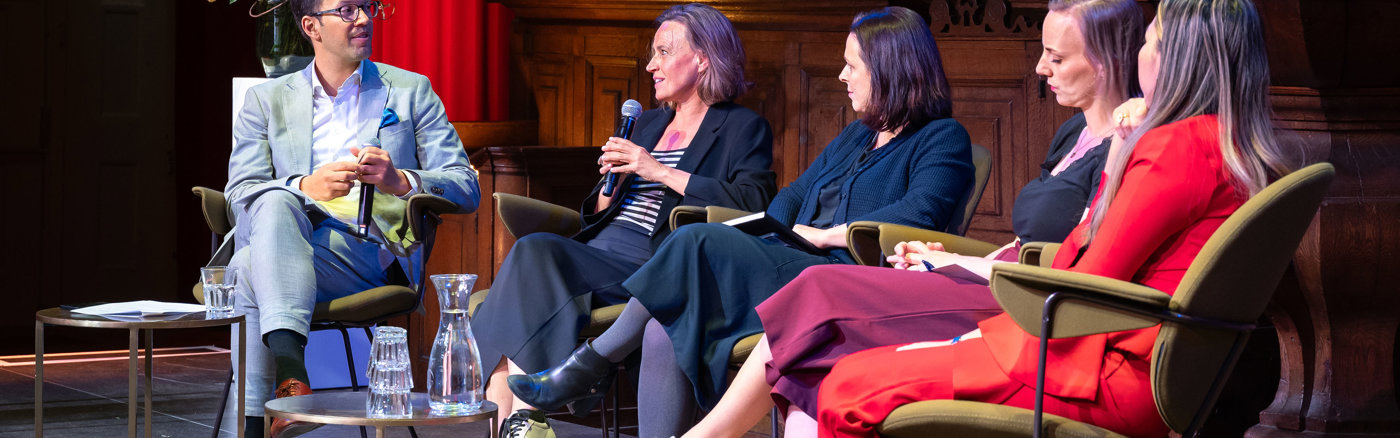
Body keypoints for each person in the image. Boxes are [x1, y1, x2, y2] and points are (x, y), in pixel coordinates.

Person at [815, 0, 1300, 436]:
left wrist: (1118, 157)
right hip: (1133, 364)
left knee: (845, 385)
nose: (1140, 54)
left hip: (1093, 370)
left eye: (1150, 39)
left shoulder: (1177, 146)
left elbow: (1089, 275)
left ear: (1177, 59)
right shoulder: (1239, 149)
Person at [680, 1, 1146, 436]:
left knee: (737, 257)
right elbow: (1031, 242)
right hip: (989, 274)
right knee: (712, 300)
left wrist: (827, 237)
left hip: (1021, 297)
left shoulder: (1128, 143)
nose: (1041, 68)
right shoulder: (1070, 134)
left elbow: (1079, 255)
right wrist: (962, 257)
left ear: (1106, 60)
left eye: (1056, 58)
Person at [508, 6, 975, 437]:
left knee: (693, 237)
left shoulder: (942, 138)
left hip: (843, 279)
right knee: (663, 326)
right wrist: (779, 233)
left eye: (853, 66)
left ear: (890, 69)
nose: (841, 76)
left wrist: (826, 234)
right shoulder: (857, 136)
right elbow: (791, 196)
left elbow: (919, 216)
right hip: (791, 259)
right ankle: (596, 375)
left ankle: (592, 362)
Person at [468, 3, 778, 436]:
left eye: (664, 52)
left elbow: (753, 201)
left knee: (533, 254)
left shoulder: (743, 127)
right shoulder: (647, 123)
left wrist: (659, 171)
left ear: (704, 58)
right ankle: (518, 420)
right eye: (652, 54)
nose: (651, 65)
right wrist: (606, 192)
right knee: (532, 255)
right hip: (600, 254)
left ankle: (519, 415)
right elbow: (599, 210)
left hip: (661, 262)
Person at [215, 0, 481, 436]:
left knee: (246, 269)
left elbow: (465, 186)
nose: (362, 18)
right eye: (346, 9)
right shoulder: (266, 101)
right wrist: (304, 186)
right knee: (278, 205)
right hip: (290, 240)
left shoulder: (411, 90)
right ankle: (289, 390)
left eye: (367, 6)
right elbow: (239, 192)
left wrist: (401, 179)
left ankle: (265, 411)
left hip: (370, 251)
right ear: (310, 27)